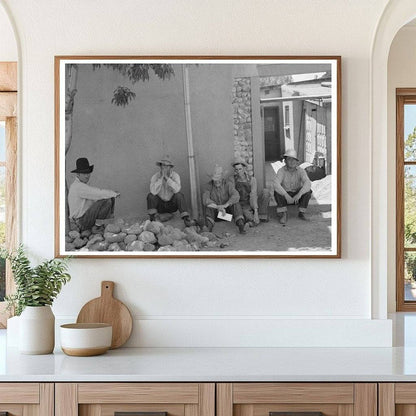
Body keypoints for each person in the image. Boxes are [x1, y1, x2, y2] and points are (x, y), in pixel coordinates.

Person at [68, 157, 120, 232]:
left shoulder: (81, 186)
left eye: (88, 173)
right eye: (84, 173)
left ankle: (106, 223)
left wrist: (112, 194)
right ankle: (97, 227)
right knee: (106, 200)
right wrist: (113, 193)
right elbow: (97, 193)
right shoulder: (78, 187)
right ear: (78, 174)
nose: (87, 176)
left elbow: (95, 196)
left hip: (84, 218)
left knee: (109, 197)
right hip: (81, 221)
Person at [147, 156, 195, 227]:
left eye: (167, 166)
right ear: (160, 166)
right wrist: (161, 179)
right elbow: (153, 191)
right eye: (163, 165)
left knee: (179, 195)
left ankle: (186, 220)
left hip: (171, 205)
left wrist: (167, 179)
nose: (164, 168)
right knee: (150, 196)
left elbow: (177, 190)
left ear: (170, 167)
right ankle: (153, 219)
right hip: (160, 205)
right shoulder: (155, 176)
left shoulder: (175, 176)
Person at [202, 165, 246, 234]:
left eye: (218, 179)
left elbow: (236, 195)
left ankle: (241, 225)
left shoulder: (228, 184)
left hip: (227, 214)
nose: (217, 181)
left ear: (222, 178)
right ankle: (209, 227)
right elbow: (205, 200)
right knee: (209, 207)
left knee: (236, 204)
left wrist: (225, 205)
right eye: (215, 179)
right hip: (216, 214)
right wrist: (218, 207)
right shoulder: (208, 186)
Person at [273, 149, 312, 225]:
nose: (292, 162)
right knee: (277, 191)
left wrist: (299, 194)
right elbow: (276, 184)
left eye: (294, 160)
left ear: (297, 161)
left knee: (308, 191)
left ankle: (301, 212)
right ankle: (283, 213)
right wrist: (286, 196)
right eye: (289, 159)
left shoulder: (301, 171)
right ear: (285, 161)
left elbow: (308, 183)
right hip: (285, 196)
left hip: (297, 197)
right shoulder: (281, 171)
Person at [228, 158, 271, 225]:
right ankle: (249, 219)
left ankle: (260, 215)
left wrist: (255, 211)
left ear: (244, 169)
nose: (238, 171)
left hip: (250, 203)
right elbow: (233, 194)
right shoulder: (233, 179)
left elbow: (253, 195)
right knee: (248, 217)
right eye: (236, 169)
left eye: (240, 169)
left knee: (266, 192)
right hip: (240, 204)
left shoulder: (252, 179)